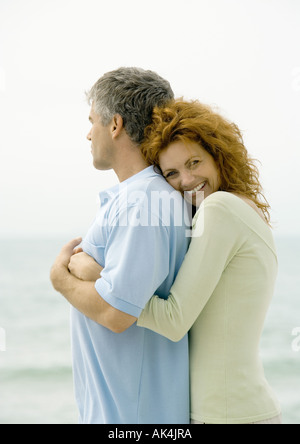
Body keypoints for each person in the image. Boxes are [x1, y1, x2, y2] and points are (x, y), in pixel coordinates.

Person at [71, 99, 282, 424]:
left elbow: (172, 320)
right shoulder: (244, 209)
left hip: (226, 415)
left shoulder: (220, 210)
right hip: (242, 408)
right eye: (171, 173)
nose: (186, 180)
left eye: (194, 162)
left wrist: (100, 275)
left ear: (218, 154)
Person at [50, 69, 191, 424]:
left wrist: (61, 279)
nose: (88, 133)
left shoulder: (141, 202)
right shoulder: (147, 197)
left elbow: (117, 315)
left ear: (115, 125)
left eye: (92, 121)